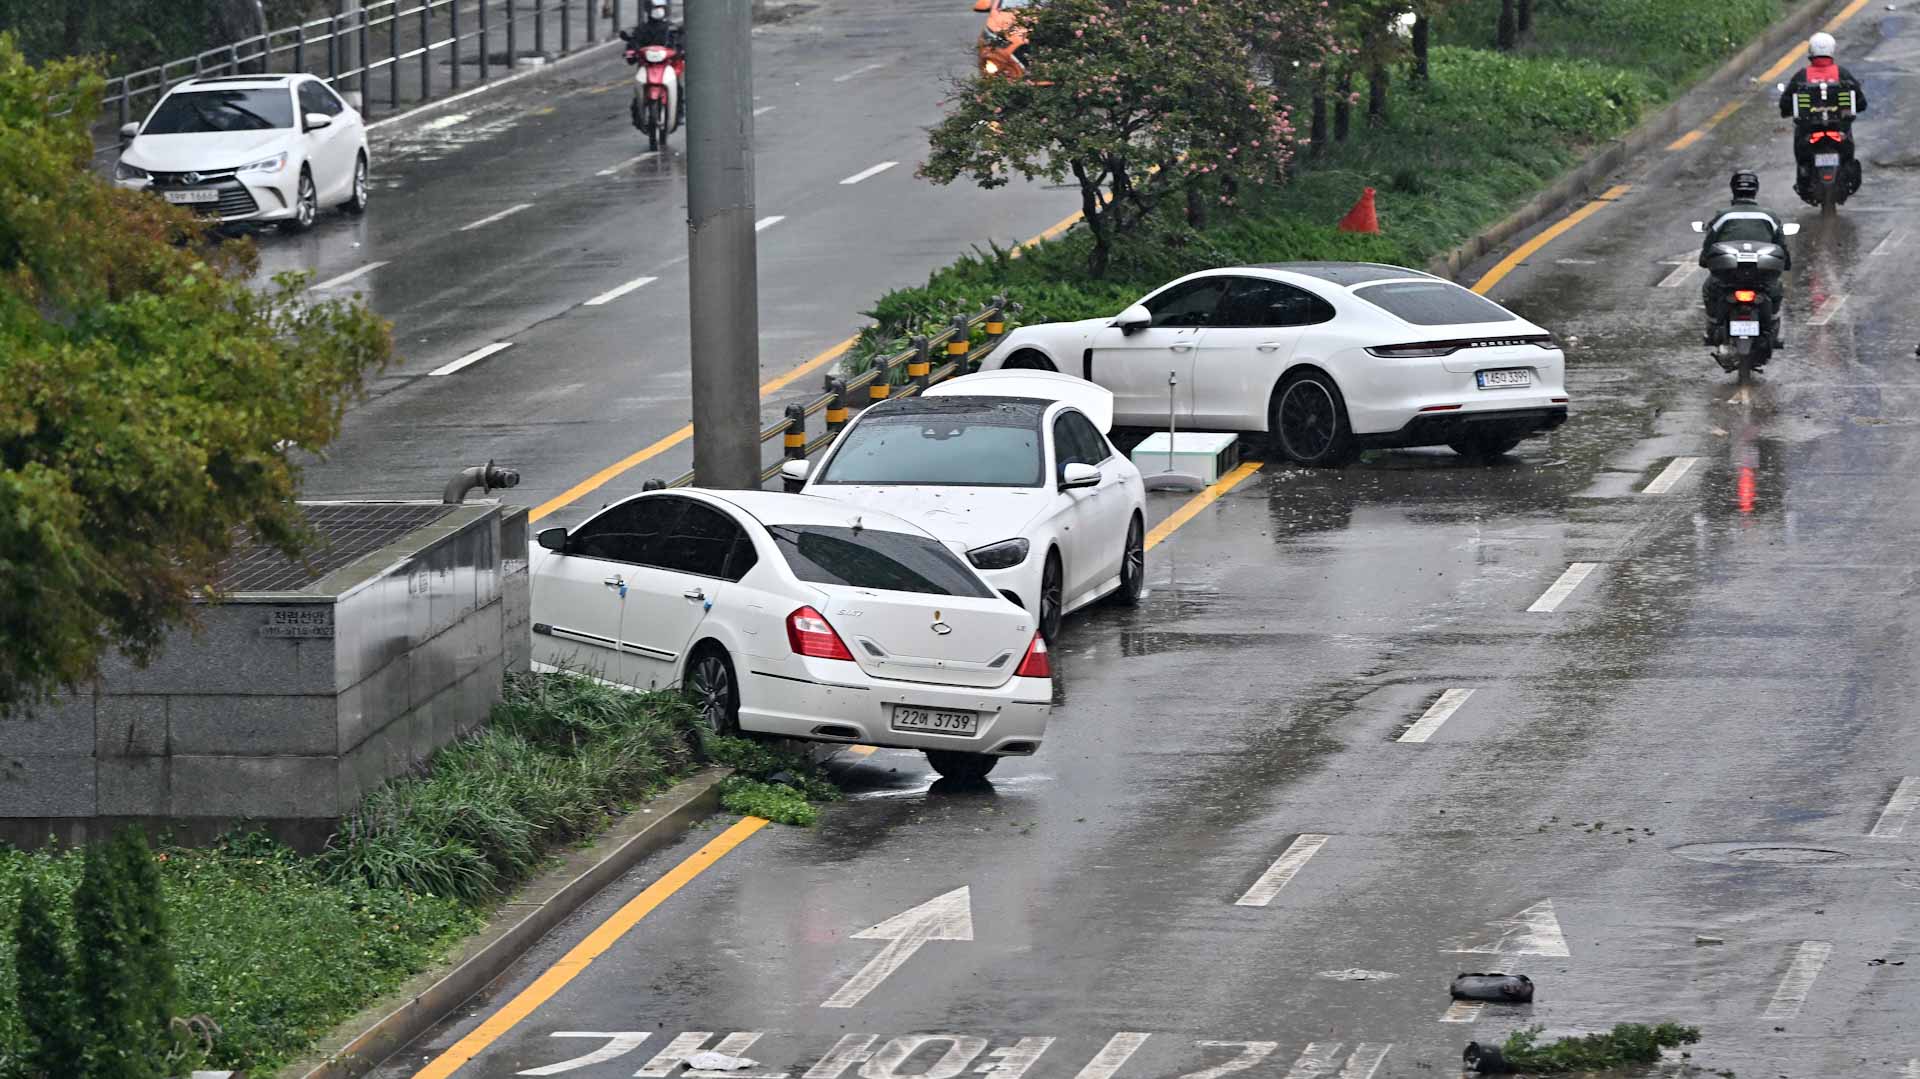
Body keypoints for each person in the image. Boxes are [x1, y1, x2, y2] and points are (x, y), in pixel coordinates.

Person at [1698, 169, 1790, 349]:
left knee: (1709, 289)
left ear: (1733, 189)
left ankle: (1713, 326)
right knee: (1776, 289)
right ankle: (1772, 328)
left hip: (1728, 276)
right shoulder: (1769, 216)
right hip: (1762, 276)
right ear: (1756, 189)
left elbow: (1709, 244)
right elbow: (1782, 245)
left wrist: (1704, 260)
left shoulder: (1723, 215)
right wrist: (1786, 263)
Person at [1777, 32, 1867, 196]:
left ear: (1811, 51)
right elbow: (1861, 102)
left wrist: (1786, 111)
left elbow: (1785, 102)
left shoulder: (1801, 76)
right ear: (1832, 50)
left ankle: (1805, 178)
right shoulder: (1843, 74)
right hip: (1839, 131)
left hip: (1809, 133)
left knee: (1802, 157)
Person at [622, 3, 687, 127]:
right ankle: (638, 114)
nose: (658, 11)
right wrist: (631, 52)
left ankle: (679, 113)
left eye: (660, 8)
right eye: (655, 8)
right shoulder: (641, 30)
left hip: (666, 66)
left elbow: (679, 42)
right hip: (647, 67)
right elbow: (633, 44)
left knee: (677, 87)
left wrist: (681, 51)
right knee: (639, 91)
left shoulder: (671, 29)